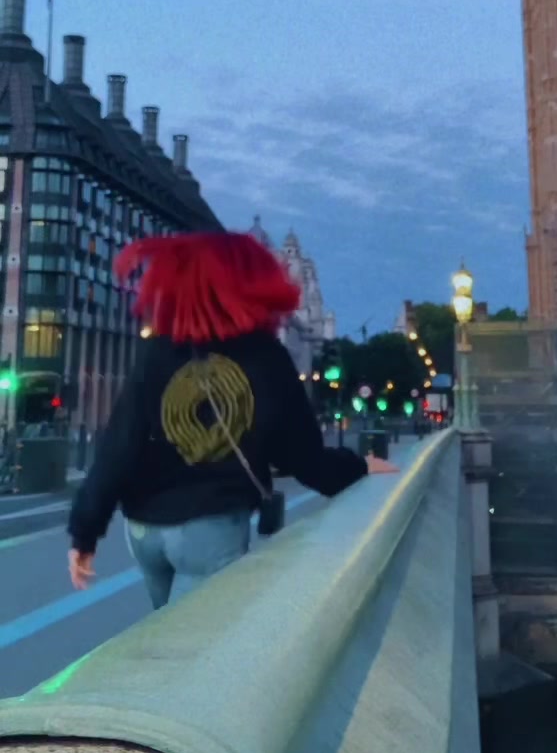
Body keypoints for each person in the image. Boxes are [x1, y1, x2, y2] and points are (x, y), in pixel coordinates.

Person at [68, 231, 396, 608]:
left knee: (165, 630)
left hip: (143, 530)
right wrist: (360, 467)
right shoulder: (265, 356)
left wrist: (85, 533)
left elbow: (119, 445)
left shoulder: (158, 350)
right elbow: (302, 458)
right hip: (210, 524)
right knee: (198, 638)